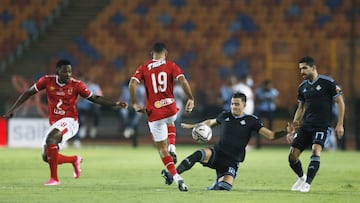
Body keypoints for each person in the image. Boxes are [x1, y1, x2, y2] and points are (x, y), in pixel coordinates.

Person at [2, 59, 127, 186]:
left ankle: (54, 179)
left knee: (51, 140)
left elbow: (94, 98)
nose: (68, 74)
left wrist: (114, 104)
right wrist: (13, 109)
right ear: (57, 71)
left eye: (70, 71)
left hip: (70, 121)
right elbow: (29, 92)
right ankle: (74, 159)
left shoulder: (77, 85)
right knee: (47, 157)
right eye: (65, 71)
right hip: (55, 123)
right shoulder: (46, 81)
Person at [161, 92, 293, 191]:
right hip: (217, 153)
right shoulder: (225, 115)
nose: (234, 107)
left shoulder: (252, 120)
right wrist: (193, 126)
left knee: (223, 188)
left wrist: (285, 132)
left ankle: (218, 182)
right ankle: (172, 175)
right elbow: (210, 122)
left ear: (244, 105)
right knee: (198, 154)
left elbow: (270, 135)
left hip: (232, 161)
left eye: (237, 104)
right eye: (232, 104)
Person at [129, 42, 195, 192]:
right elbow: (182, 80)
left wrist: (134, 103)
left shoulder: (144, 67)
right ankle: (173, 146)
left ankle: (177, 178)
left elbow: (132, 84)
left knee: (161, 149)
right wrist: (191, 98)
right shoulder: (171, 65)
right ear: (165, 53)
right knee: (170, 121)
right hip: (171, 108)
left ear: (152, 54)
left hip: (155, 112)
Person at [286, 56, 345, 192]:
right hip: (306, 126)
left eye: (304, 68)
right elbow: (300, 108)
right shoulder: (302, 87)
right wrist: (293, 129)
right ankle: (301, 177)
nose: (302, 72)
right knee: (292, 156)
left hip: (322, 126)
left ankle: (307, 183)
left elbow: (340, 102)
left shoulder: (328, 82)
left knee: (315, 150)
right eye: (300, 69)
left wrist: (340, 124)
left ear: (313, 68)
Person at [73, 74, 103, 148]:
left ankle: (94, 127)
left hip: (91, 107)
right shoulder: (76, 88)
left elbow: (100, 96)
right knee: (79, 121)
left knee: (97, 110)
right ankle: (77, 139)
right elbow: (75, 100)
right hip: (81, 108)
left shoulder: (94, 87)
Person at [119, 80, 146, 147]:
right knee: (123, 112)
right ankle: (129, 127)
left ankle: (129, 128)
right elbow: (122, 99)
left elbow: (142, 100)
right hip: (128, 107)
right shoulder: (125, 89)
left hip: (137, 106)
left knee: (138, 114)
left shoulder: (140, 89)